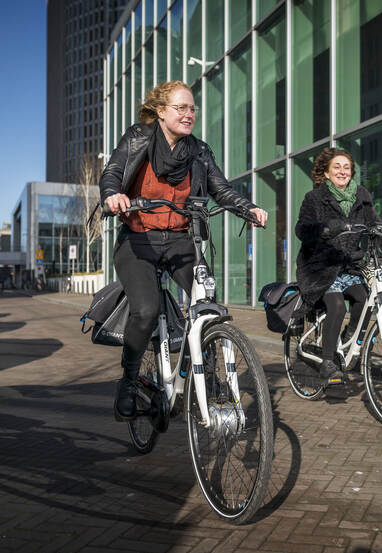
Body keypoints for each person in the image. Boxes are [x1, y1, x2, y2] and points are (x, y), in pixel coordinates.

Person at [100, 80, 268, 421]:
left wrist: (247, 207)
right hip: (138, 240)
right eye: (181, 108)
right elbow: (114, 171)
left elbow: (220, 189)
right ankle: (129, 382)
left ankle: (206, 375)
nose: (189, 114)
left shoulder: (200, 151)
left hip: (180, 239)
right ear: (161, 112)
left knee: (208, 304)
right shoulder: (138, 137)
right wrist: (113, 194)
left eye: (192, 108)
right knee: (145, 311)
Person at [294, 148, 382, 384]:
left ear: (351, 173)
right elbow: (302, 229)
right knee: (337, 306)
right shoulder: (314, 198)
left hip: (349, 265)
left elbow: (376, 225)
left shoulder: (361, 196)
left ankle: (348, 337)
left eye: (346, 167)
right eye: (337, 167)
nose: (342, 171)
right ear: (327, 173)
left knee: (364, 300)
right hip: (320, 266)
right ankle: (328, 362)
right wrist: (326, 228)